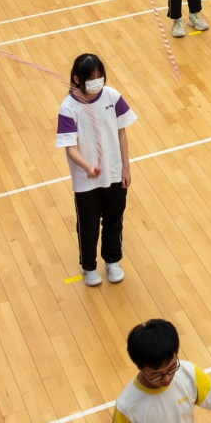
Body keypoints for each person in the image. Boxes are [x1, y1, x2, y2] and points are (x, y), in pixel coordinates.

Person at [57, 51, 136, 285]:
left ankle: (112, 260)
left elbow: (122, 133)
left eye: (99, 76)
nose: (96, 82)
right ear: (77, 79)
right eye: (91, 78)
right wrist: (87, 167)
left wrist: (126, 168)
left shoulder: (112, 96)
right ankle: (88, 267)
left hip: (114, 174)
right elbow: (70, 148)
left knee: (114, 220)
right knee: (88, 226)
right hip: (86, 181)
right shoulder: (68, 107)